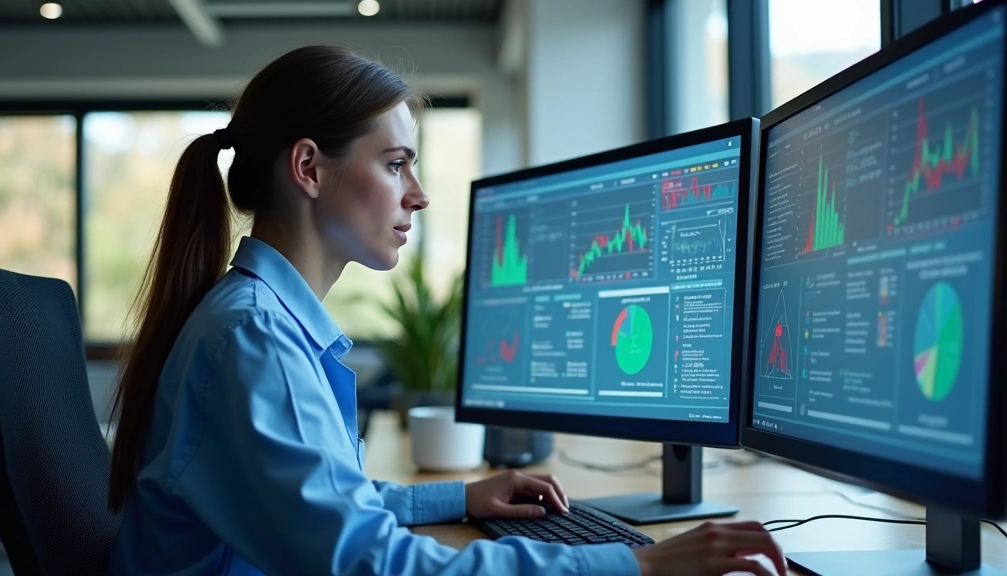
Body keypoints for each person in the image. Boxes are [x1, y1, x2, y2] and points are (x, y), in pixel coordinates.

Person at [106, 45, 786, 576]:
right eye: (397, 163)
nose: (421, 195)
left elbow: (328, 507)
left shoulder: (258, 323)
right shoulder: (254, 340)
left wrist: (459, 499)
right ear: (309, 169)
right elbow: (371, 563)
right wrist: (636, 563)